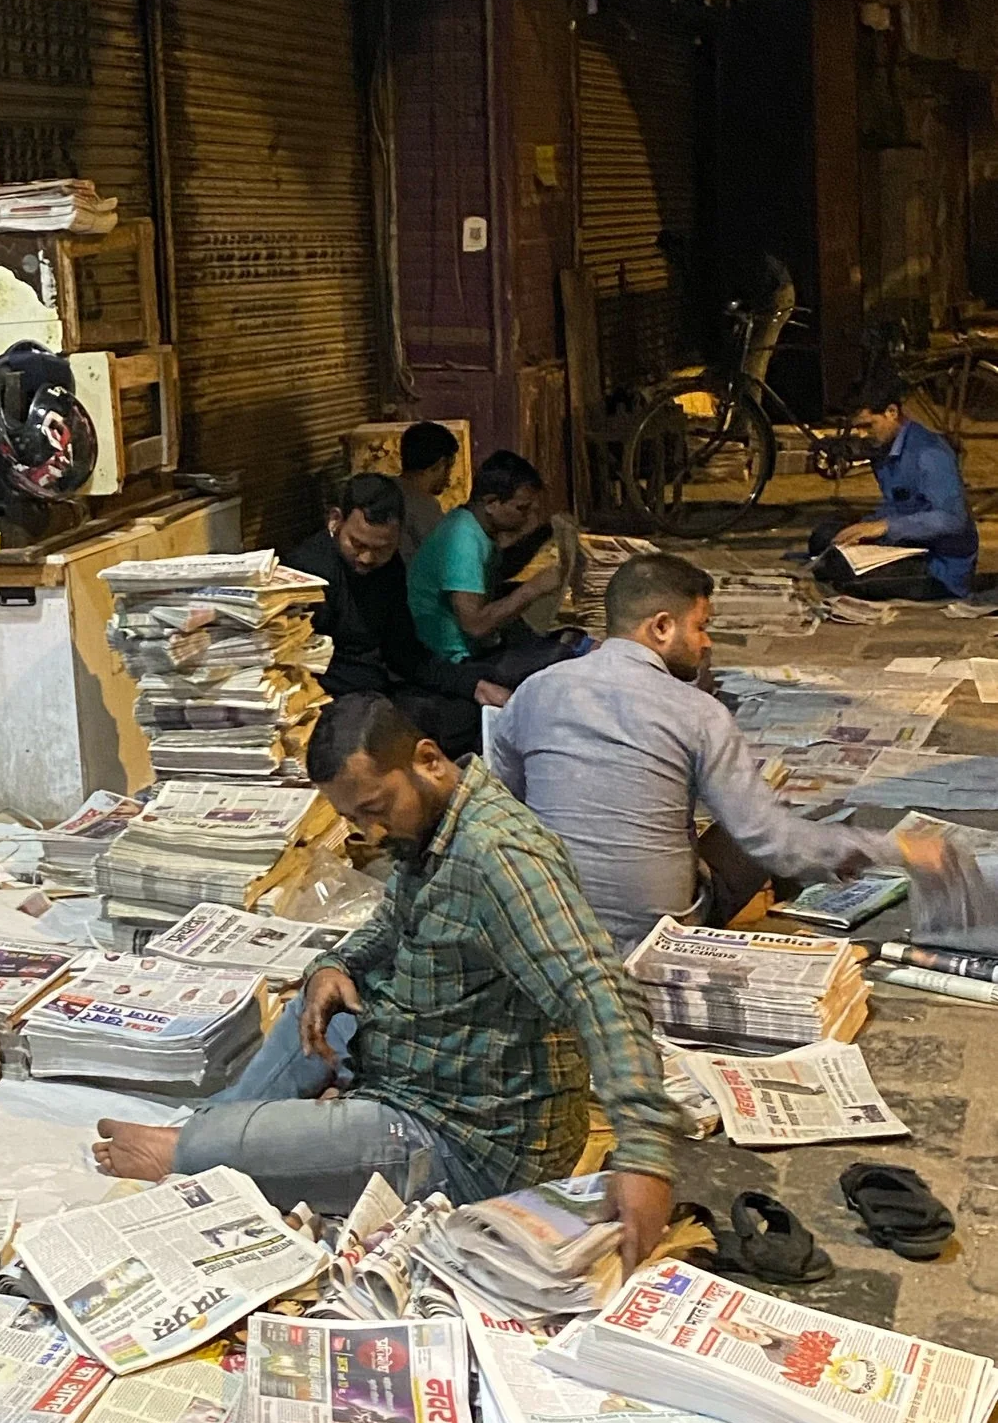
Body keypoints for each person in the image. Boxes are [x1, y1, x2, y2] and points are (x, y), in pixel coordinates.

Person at [94, 695, 677, 1270]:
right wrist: (335, 966)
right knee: (318, 1005)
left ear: (427, 760)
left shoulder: (498, 856)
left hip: (463, 1136)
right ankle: (220, 1133)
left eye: (376, 808)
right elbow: (390, 926)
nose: (369, 832)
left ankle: (200, 1145)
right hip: (413, 1070)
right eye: (352, 820)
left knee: (194, 1153)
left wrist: (645, 1154)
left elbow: (599, 993)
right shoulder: (430, 829)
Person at [488, 552, 899, 952]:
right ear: (662, 627)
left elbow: (506, 793)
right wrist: (894, 851)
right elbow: (773, 842)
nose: (706, 643)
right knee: (764, 829)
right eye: (701, 627)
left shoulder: (537, 688)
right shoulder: (699, 713)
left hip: (552, 922)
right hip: (658, 936)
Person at [285, 473, 508, 758]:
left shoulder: (388, 568)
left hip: (376, 691)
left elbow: (403, 651)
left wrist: (473, 685)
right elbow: (299, 669)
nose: (367, 558)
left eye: (381, 549)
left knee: (467, 710)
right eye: (358, 544)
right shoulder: (308, 572)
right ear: (335, 520)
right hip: (331, 702)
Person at [406, 449, 579, 687]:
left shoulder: (472, 524)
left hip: (473, 647)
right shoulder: (462, 540)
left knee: (568, 636)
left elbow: (498, 570)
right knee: (570, 655)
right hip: (453, 662)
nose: (528, 518)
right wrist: (533, 589)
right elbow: (475, 625)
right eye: (521, 509)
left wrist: (544, 534)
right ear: (491, 503)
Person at [808, 369, 978, 601]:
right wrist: (865, 526)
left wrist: (884, 527)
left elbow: (952, 519)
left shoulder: (929, 452)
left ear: (891, 412)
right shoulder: (884, 447)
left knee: (846, 575)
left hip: (938, 565)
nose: (863, 434)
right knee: (824, 537)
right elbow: (897, 504)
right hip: (906, 544)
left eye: (869, 426)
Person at [397, 422, 461, 563]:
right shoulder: (425, 506)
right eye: (449, 467)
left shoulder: (384, 488)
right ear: (440, 464)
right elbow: (444, 559)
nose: (449, 477)